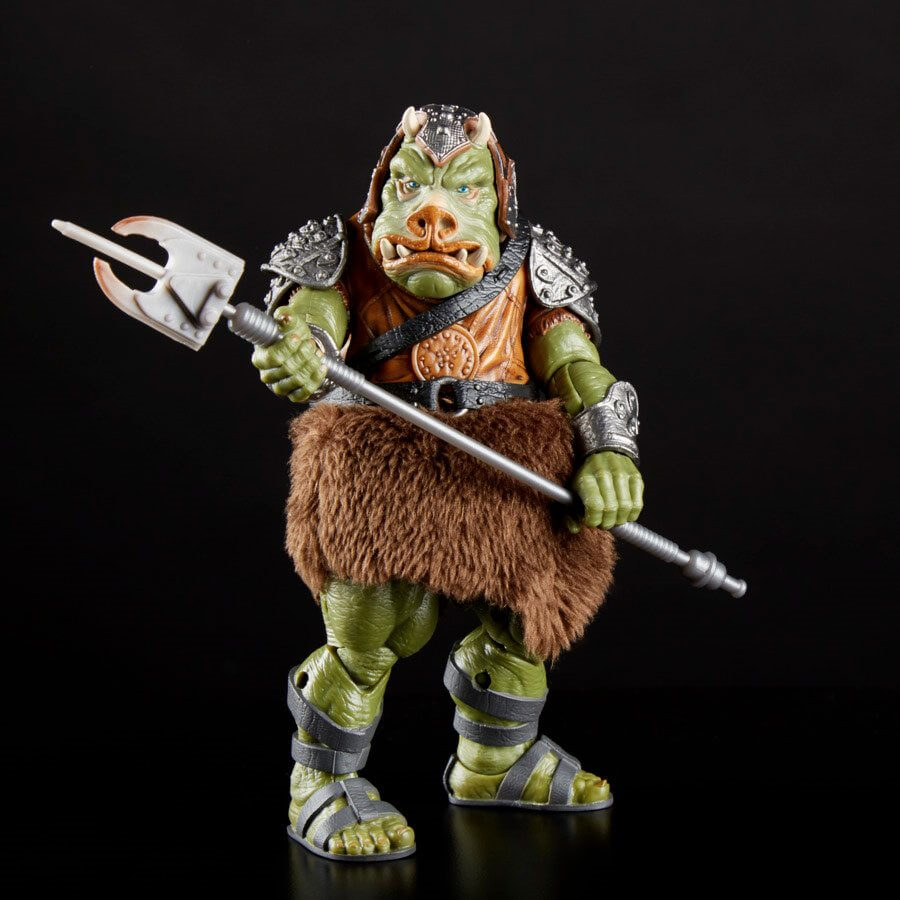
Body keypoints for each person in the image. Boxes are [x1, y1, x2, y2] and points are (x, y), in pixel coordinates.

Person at [252, 103, 644, 861]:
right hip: (381, 467)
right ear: (381, 192)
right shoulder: (345, 252)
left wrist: (610, 451)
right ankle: (320, 782)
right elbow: (314, 322)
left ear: (497, 204)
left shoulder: (533, 265)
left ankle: (496, 761)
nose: (432, 213)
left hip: (507, 469)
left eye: (463, 189)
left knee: (525, 621)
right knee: (375, 631)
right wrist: (299, 346)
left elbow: (576, 366)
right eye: (409, 186)